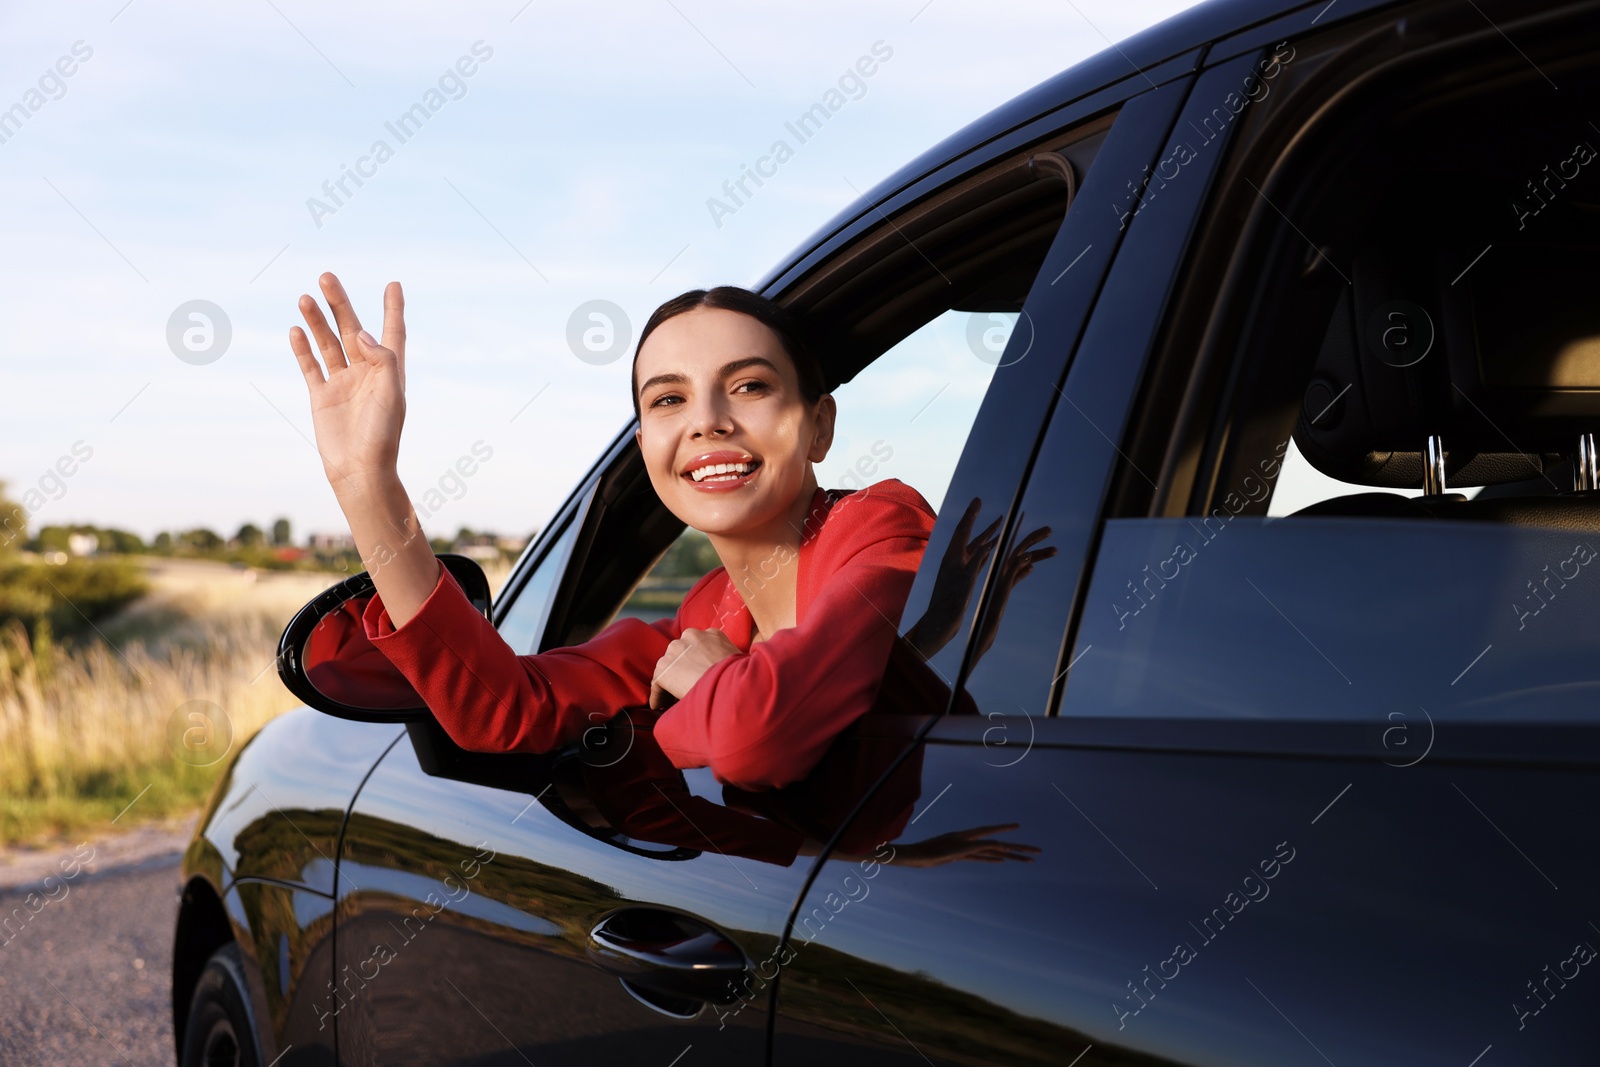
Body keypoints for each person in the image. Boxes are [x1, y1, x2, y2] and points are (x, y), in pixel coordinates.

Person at [287, 273, 943, 791]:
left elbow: (754, 740)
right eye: (668, 399)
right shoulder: (704, 616)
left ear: (819, 425)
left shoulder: (878, 525)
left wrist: (688, 716)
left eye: (748, 385)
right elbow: (506, 707)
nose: (707, 420)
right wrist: (367, 483)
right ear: (645, 443)